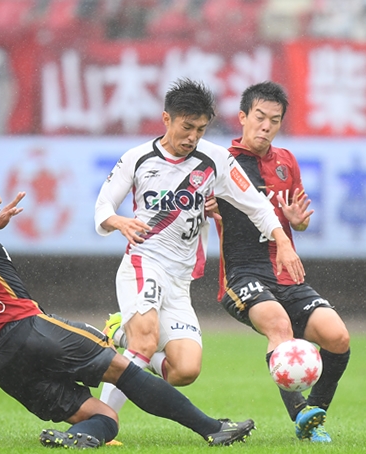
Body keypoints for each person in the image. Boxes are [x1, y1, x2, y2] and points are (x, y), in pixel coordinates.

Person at [0, 160, 256, 449]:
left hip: (2, 361)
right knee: (125, 370)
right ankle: (212, 429)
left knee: (103, 419)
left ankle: (72, 441)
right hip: (29, 330)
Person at [94, 78, 304, 416]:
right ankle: (101, 420)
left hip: (180, 281)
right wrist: (118, 221)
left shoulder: (216, 159)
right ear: (167, 120)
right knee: (145, 341)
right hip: (144, 262)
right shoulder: (137, 158)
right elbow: (102, 207)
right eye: (186, 127)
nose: (192, 137)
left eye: (201, 129)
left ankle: (119, 333)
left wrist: (282, 240)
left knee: (185, 370)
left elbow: (257, 205)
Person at [213, 81, 351, 443]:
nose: (266, 127)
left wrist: (298, 220)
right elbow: (195, 206)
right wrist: (209, 208)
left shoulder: (286, 161)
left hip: (287, 276)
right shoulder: (221, 163)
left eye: (274, 120)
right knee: (279, 327)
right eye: (259, 118)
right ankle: (300, 411)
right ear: (242, 117)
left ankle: (312, 416)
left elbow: (300, 220)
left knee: (338, 338)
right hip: (242, 275)